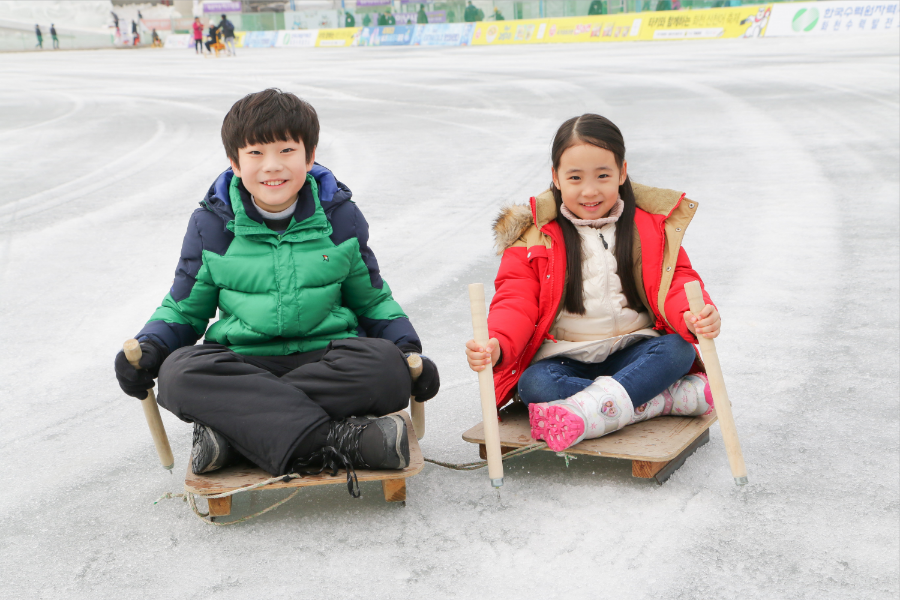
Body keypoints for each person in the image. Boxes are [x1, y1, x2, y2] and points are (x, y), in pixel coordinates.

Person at [114, 90, 441, 496]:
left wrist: (408, 351)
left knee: (386, 369)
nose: (272, 166)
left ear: (309, 154)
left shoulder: (339, 218)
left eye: (287, 149)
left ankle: (236, 435)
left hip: (328, 357)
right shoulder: (212, 225)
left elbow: (371, 299)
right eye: (255, 153)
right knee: (178, 374)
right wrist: (151, 348)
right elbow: (183, 309)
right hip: (244, 363)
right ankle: (343, 440)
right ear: (234, 162)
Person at [464, 114, 718, 452]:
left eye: (602, 176)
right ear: (555, 178)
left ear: (622, 173)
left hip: (635, 348)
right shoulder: (533, 238)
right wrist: (498, 343)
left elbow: (677, 281)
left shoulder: (649, 227)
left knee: (678, 351)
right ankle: (654, 400)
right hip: (567, 358)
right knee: (534, 386)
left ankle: (594, 409)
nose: (589, 190)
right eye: (575, 178)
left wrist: (692, 314)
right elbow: (515, 301)